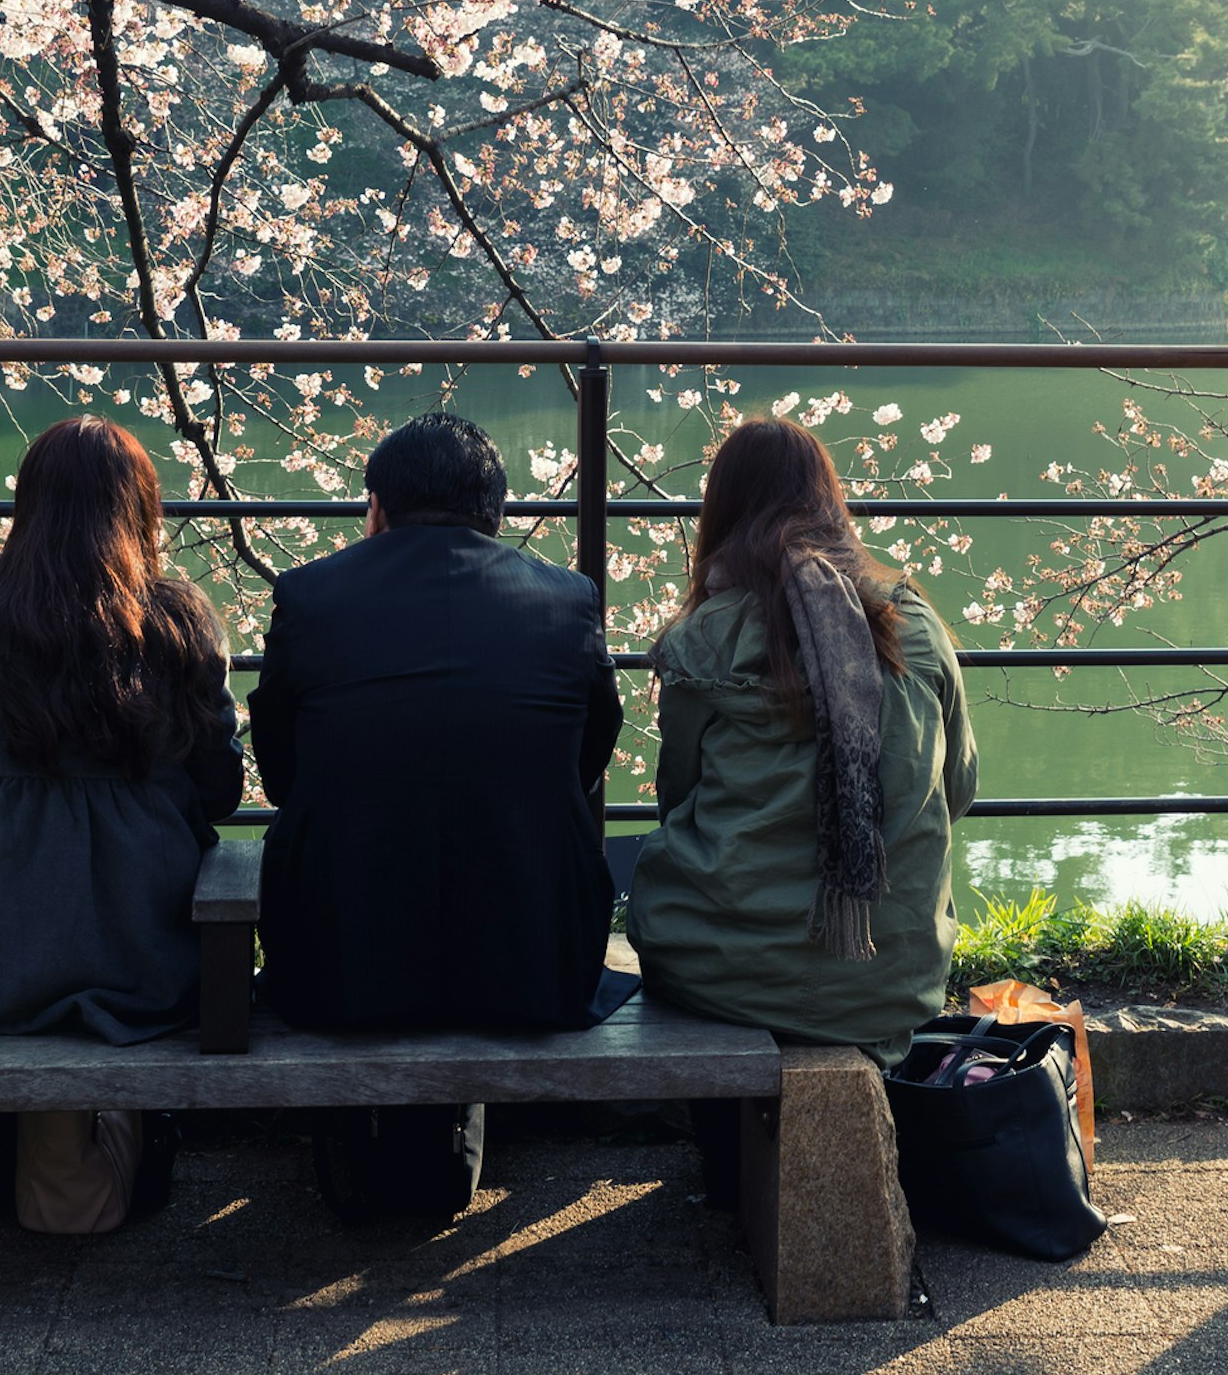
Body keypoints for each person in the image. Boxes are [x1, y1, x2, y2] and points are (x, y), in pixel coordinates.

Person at [248, 409, 622, 1219]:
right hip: (533, 963)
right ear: (497, 514)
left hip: (340, 963)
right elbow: (588, 755)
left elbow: (282, 774)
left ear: (375, 505)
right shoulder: (567, 601)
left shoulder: (309, 596)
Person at [0, 417, 243, 1230]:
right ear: (142, 509)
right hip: (143, 956)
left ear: (28, 507)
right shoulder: (181, 617)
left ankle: (44, 1158)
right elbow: (221, 791)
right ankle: (112, 1148)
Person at [629, 414, 977, 1090]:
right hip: (886, 979)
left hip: (713, 968)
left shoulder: (702, 638)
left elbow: (677, 796)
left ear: (721, 510)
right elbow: (958, 788)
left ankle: (726, 1161)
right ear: (829, 499)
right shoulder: (916, 628)